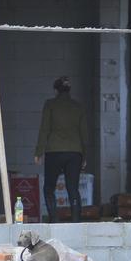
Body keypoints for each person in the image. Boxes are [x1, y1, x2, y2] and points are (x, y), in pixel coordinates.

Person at [35, 76, 88, 223]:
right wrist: (84, 156)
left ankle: (54, 219)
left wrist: (39, 151)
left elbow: (44, 129)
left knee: (49, 188)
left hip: (54, 151)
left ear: (55, 89)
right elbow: (84, 133)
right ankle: (76, 220)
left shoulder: (50, 105)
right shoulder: (78, 106)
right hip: (74, 153)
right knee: (73, 188)